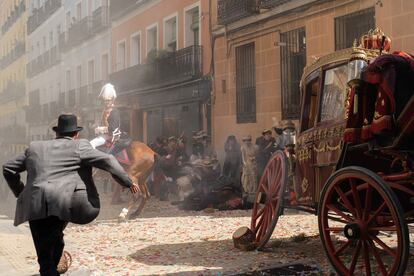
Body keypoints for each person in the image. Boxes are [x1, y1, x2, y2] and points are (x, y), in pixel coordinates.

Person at [2, 114, 139, 276]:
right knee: (53, 241)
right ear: (76, 134)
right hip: (63, 202)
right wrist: (127, 182)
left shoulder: (34, 147)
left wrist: (21, 192)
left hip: (34, 203)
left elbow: (8, 168)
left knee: (44, 253)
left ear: (57, 133)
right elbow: (109, 160)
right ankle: (53, 265)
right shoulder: (79, 146)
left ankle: (51, 266)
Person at [90, 83, 121, 150]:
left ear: (112, 100)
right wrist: (96, 126)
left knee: (91, 143)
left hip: (111, 135)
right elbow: (103, 123)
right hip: (104, 135)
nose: (106, 102)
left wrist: (100, 129)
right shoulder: (104, 110)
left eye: (108, 100)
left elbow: (113, 128)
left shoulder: (114, 111)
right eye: (105, 100)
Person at [241, 135, 258, 202]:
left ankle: (253, 191)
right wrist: (245, 165)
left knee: (253, 178)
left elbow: (257, 155)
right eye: (245, 140)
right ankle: (247, 191)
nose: (247, 142)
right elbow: (243, 158)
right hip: (247, 164)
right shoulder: (243, 148)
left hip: (253, 164)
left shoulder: (255, 147)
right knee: (246, 178)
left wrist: (254, 159)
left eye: (248, 140)